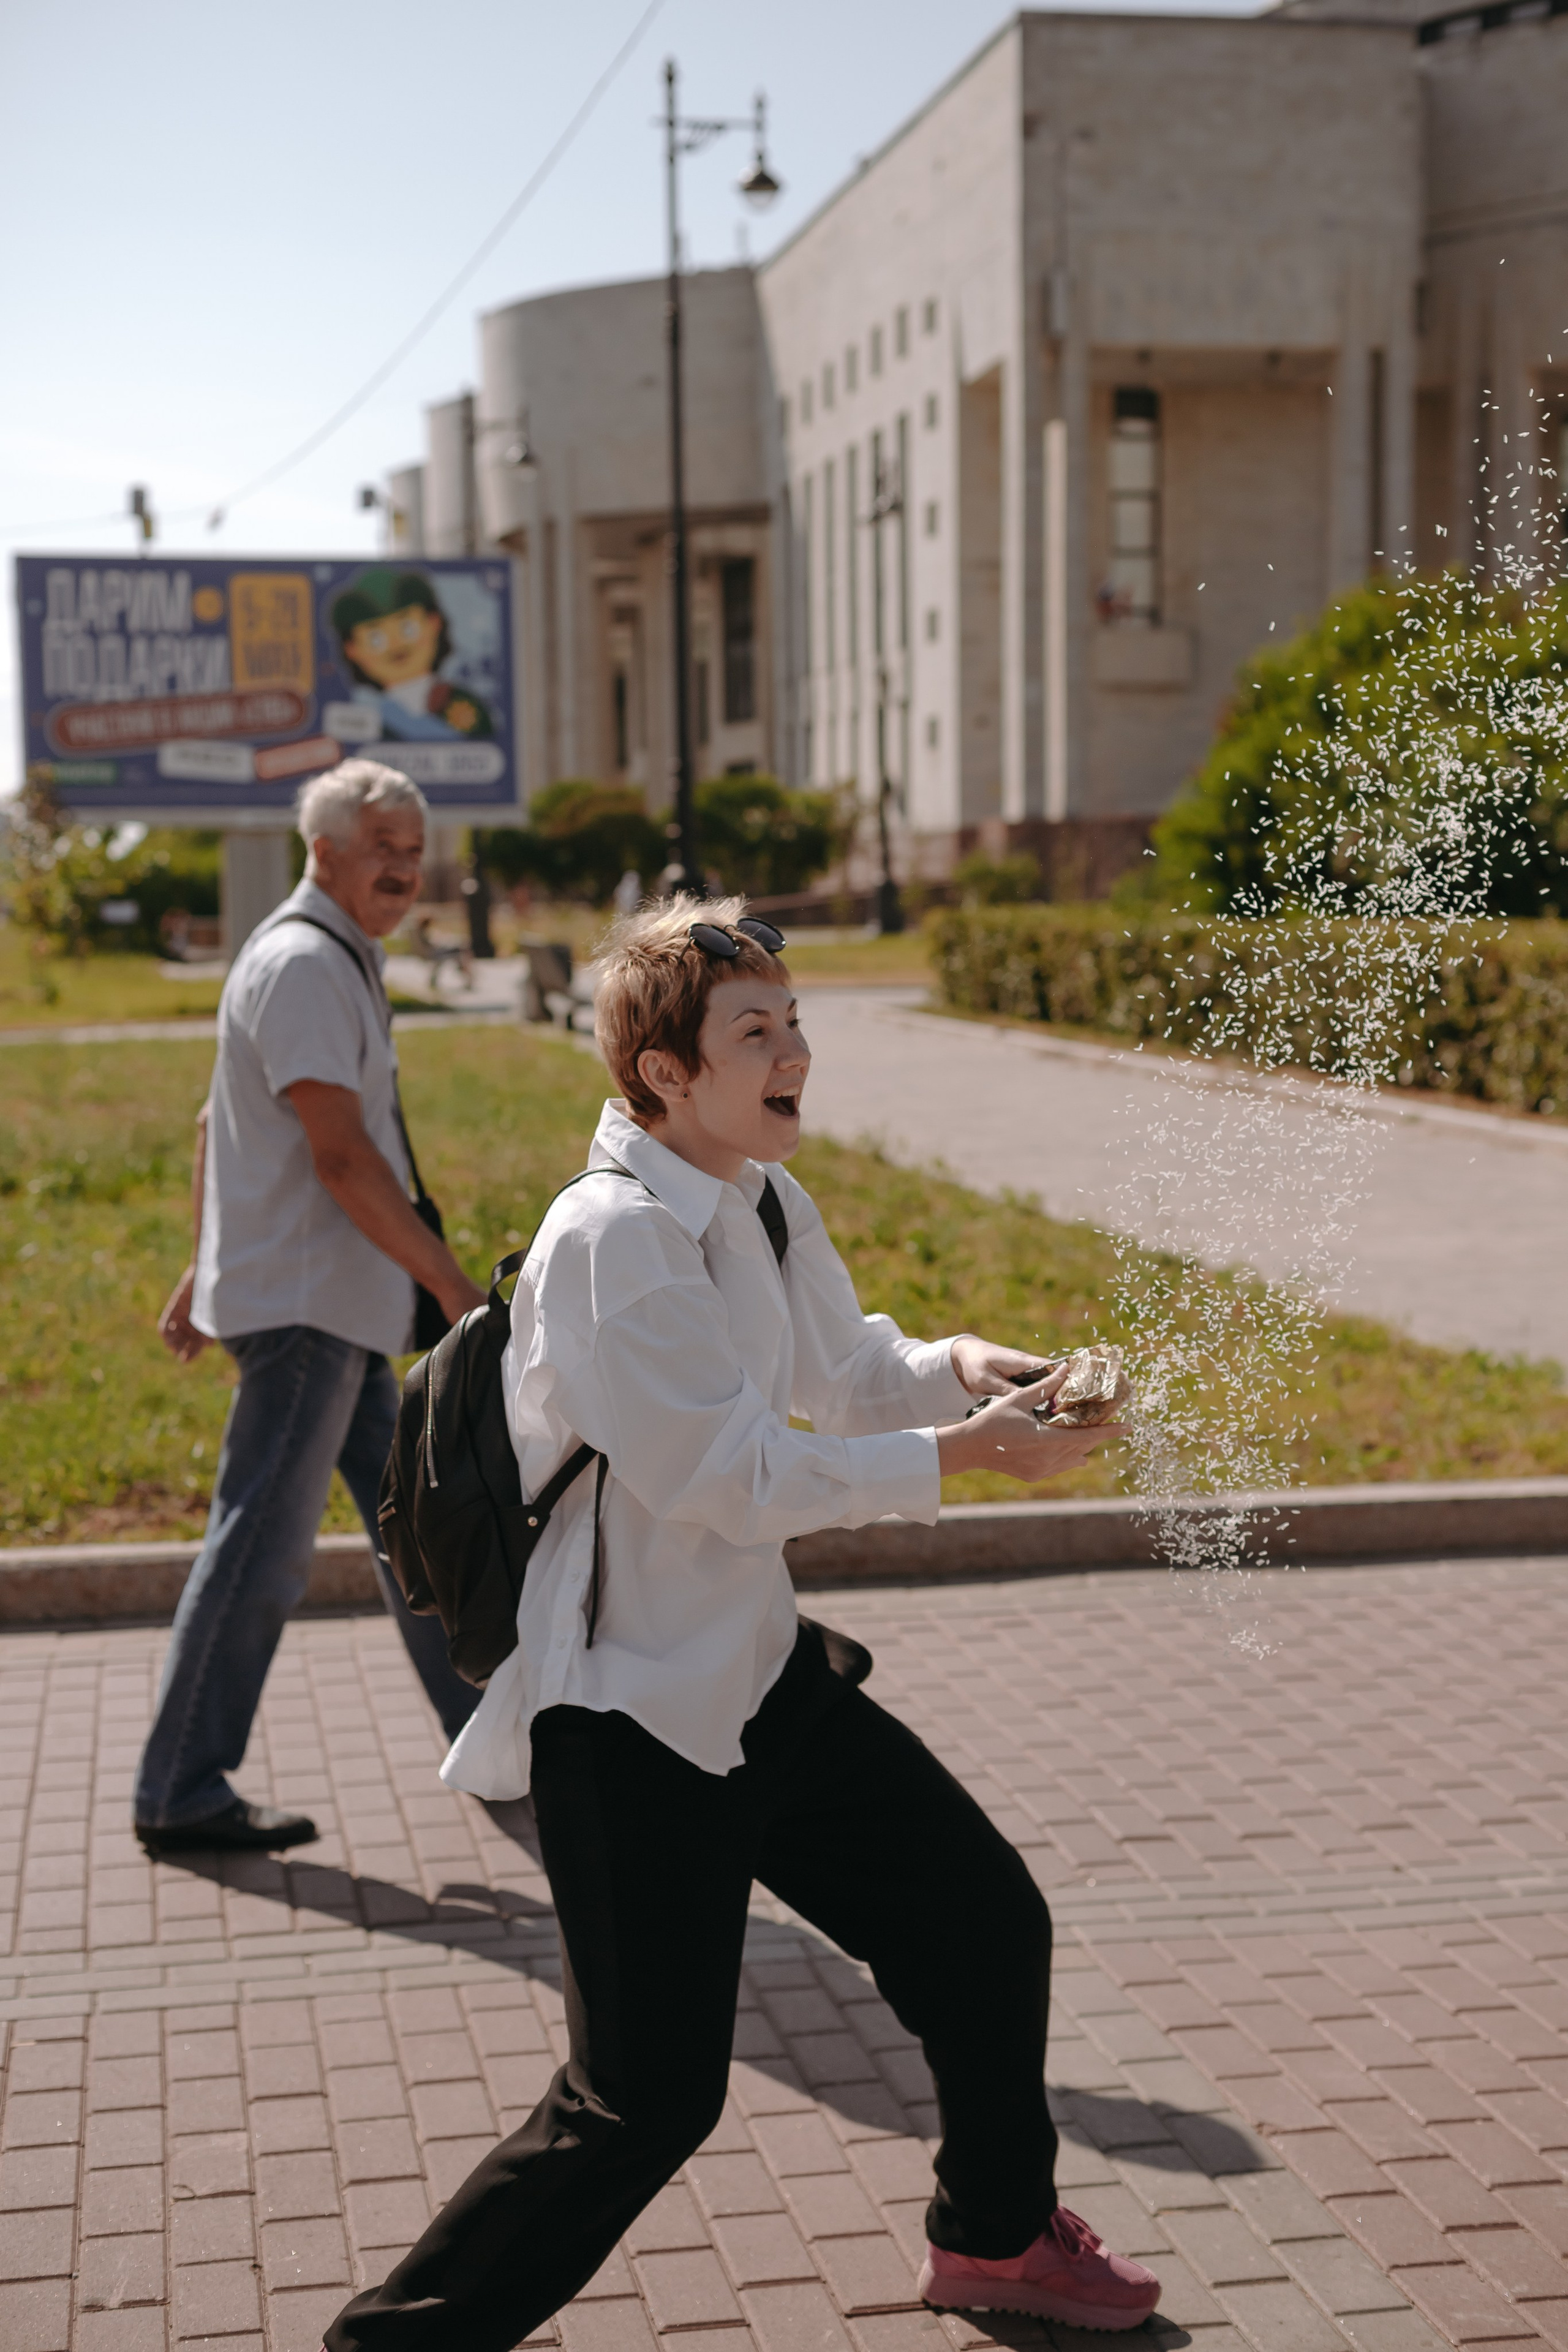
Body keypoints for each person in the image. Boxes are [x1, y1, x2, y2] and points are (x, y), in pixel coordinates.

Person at [323, 898, 1161, 2348]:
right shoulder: (610, 1240)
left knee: (979, 1926)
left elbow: (839, 1374)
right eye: (755, 1032)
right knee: (642, 2103)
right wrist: (971, 1458)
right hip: (631, 1713)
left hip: (756, 1678)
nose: (796, 1054)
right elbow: (728, 1479)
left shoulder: (761, 1193)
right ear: (663, 1074)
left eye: (795, 1023)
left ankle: (996, 2238)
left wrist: (961, 1371)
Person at [137, 759, 485, 1858]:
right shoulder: (303, 963)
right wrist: (450, 1283)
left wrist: (206, 1263)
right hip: (308, 1311)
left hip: (330, 1300)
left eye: (415, 848)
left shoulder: (331, 955)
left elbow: (216, 1124)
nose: (404, 866)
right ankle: (180, 1787)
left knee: (416, 1533)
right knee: (261, 1552)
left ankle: (488, 1731)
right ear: (323, 850)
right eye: (382, 844)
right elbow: (338, 1158)